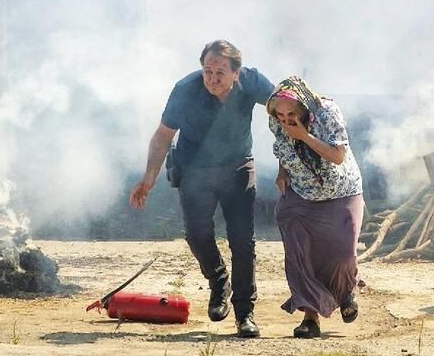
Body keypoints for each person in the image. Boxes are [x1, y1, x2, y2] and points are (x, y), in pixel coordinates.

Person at [129, 40, 274, 337]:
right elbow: (162, 136)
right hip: (194, 169)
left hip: (237, 166)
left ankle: (244, 313)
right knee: (197, 235)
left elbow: (285, 102)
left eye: (220, 72)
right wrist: (148, 178)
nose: (212, 78)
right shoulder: (185, 89)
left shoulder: (252, 82)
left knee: (243, 240)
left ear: (237, 72)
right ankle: (219, 281)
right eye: (207, 70)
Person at [266, 76, 364, 338]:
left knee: (342, 253)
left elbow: (337, 155)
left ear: (304, 109)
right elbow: (284, 148)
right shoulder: (276, 119)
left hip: (340, 191)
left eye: (291, 113)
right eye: (280, 114)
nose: (285, 119)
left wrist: (304, 135)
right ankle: (310, 317)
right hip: (301, 194)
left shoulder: (327, 112)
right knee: (301, 253)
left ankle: (345, 291)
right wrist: (283, 171)